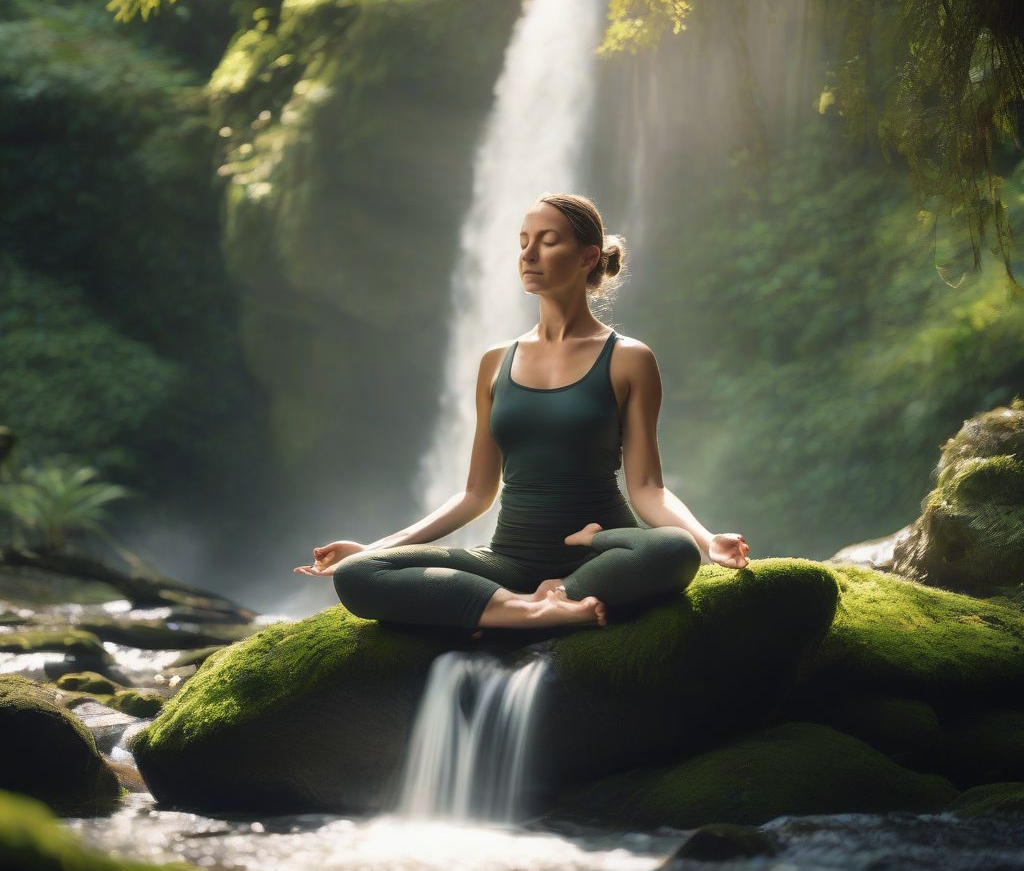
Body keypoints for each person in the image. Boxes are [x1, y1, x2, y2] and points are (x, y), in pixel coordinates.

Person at [294, 192, 749, 631]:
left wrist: (708, 541)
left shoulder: (629, 359)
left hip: (605, 559)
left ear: (588, 257)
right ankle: (534, 610)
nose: (529, 254)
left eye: (548, 241)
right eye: (523, 242)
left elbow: (648, 488)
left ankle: (562, 583)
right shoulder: (495, 362)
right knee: (360, 576)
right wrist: (374, 549)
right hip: (507, 559)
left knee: (675, 550)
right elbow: (475, 493)